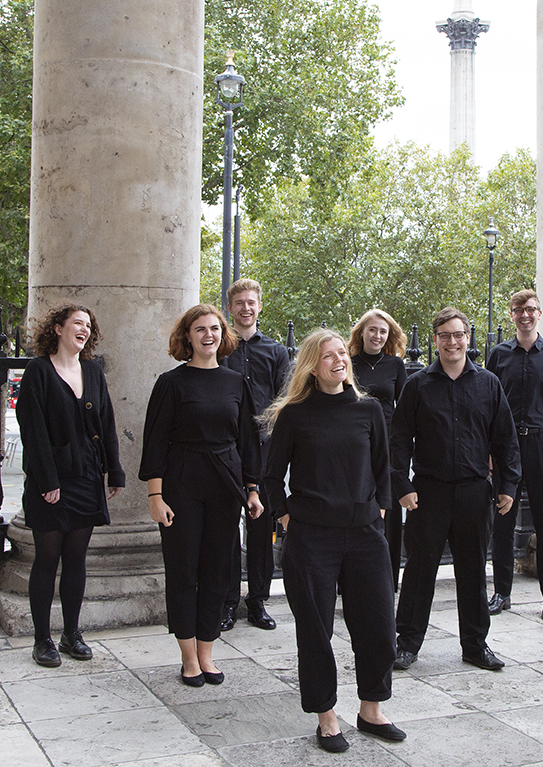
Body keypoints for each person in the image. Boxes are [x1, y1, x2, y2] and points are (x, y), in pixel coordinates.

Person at [264, 330, 404, 753]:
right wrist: (286, 516)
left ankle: (371, 710)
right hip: (312, 538)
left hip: (365, 534)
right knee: (315, 630)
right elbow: (271, 477)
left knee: (379, 624)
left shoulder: (368, 409)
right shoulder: (294, 415)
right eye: (328, 355)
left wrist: (379, 511)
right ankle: (326, 717)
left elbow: (383, 468)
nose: (339, 359)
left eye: (342, 352)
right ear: (312, 365)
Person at [141, 304, 263, 687]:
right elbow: (154, 442)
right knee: (183, 571)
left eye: (214, 328)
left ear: (222, 335)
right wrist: (155, 495)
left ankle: (207, 653)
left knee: (217, 571)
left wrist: (253, 489)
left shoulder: (236, 382)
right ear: (187, 337)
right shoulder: (171, 383)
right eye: (200, 329)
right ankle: (188, 657)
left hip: (225, 485)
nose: (208, 335)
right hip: (181, 484)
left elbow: (247, 442)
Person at [392, 307, 519, 672]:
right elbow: (398, 440)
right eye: (445, 335)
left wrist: (508, 484)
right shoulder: (417, 385)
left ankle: (475, 646)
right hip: (427, 493)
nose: (452, 342)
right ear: (435, 340)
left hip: (474, 492)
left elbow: (505, 439)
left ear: (467, 338)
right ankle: (406, 644)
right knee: (419, 571)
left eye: (458, 335)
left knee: (473, 571)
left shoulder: (488, 384)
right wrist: (402, 485)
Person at [16, 303, 124, 668]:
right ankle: (42, 639)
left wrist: (114, 471)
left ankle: (71, 634)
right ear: (58, 328)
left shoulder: (92, 370)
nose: (84, 329)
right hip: (51, 481)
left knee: (76, 559)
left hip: (87, 478)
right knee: (47, 559)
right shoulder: (38, 371)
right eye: (77, 323)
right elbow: (33, 429)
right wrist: (47, 480)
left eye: (88, 325)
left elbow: (106, 422)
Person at [486, 289, 543, 622]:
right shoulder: (498, 355)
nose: (525, 314)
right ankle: (501, 592)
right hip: (506, 448)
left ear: (539, 313)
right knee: (502, 523)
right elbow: (488, 405)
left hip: (541, 444)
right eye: (519, 309)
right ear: (511, 315)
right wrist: (489, 451)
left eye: (531, 309)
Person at [221, 278, 290, 632]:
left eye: (251, 302)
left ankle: (258, 600)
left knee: (261, 530)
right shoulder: (220, 348)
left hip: (263, 450)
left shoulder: (276, 352)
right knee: (225, 529)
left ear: (260, 306)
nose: (246, 308)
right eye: (239, 303)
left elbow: (284, 401)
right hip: (226, 448)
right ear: (230, 307)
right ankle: (227, 600)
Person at [348, 308, 410, 591]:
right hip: (355, 443)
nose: (377, 335)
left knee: (390, 509)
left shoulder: (395, 365)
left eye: (383, 331)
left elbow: (405, 409)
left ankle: (388, 578)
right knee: (357, 504)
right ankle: (350, 577)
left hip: (388, 443)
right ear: (361, 332)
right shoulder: (348, 363)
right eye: (372, 329)